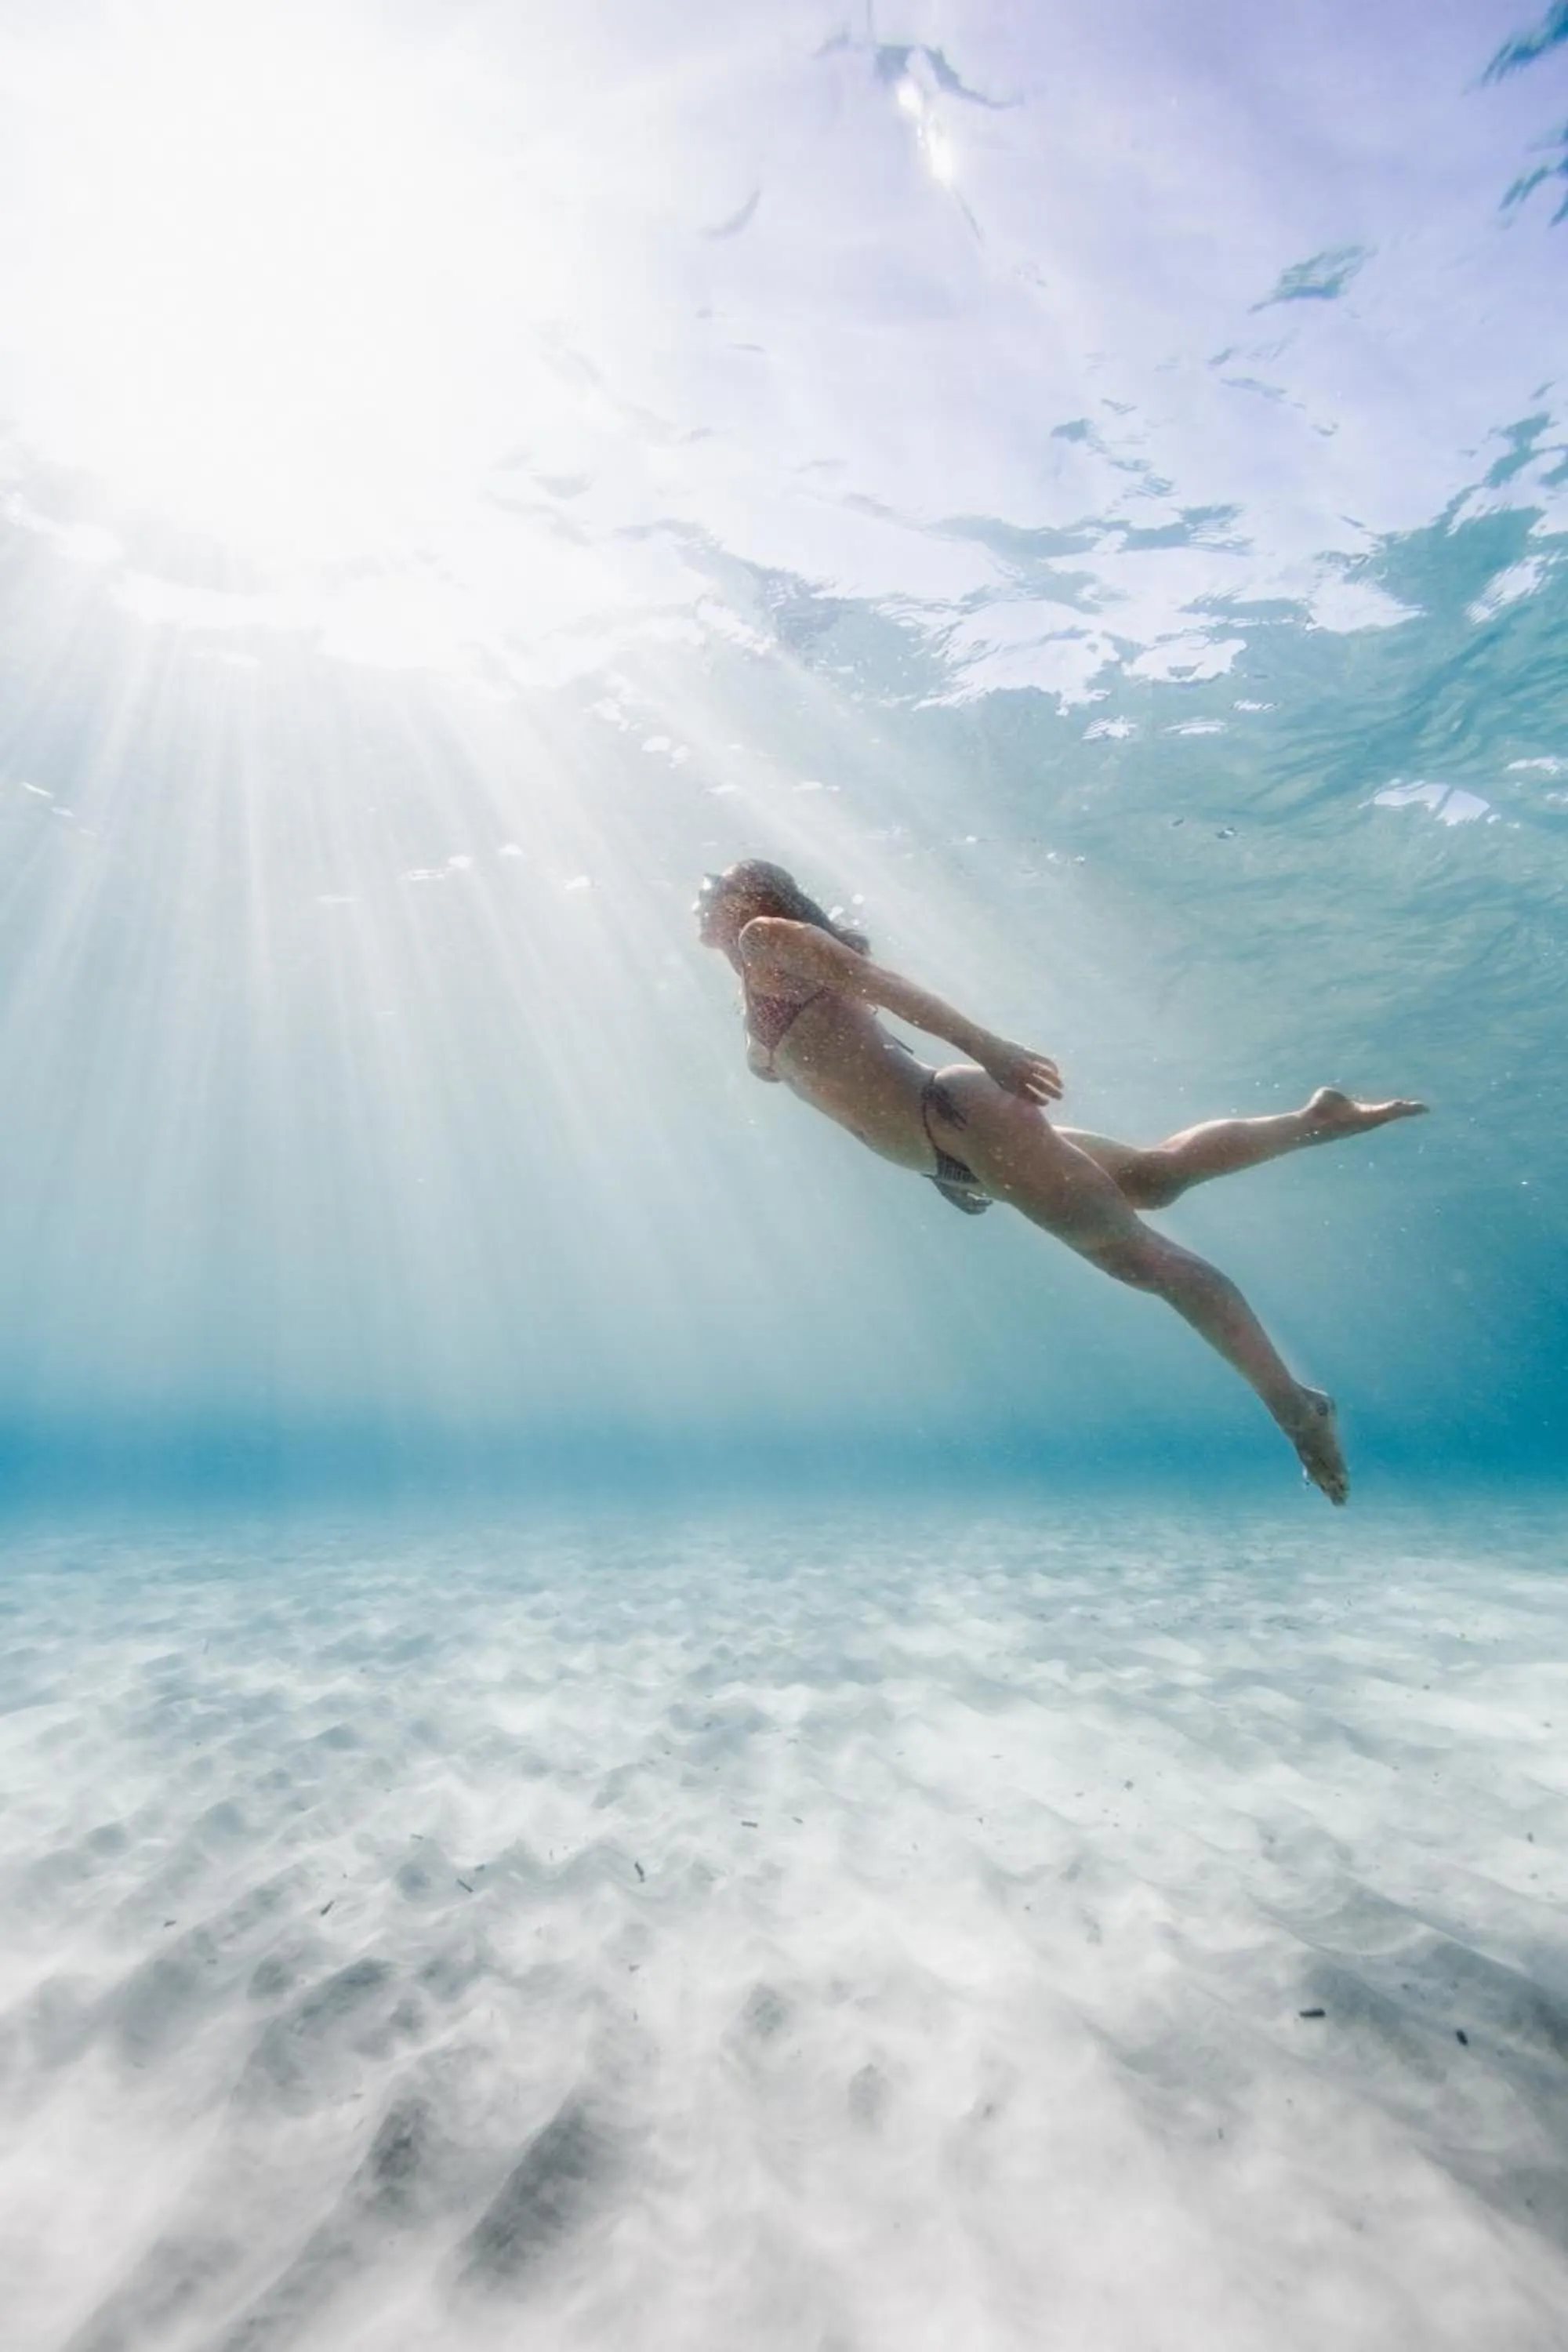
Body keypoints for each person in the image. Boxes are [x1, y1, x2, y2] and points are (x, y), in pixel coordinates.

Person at [695, 859, 1428, 1504]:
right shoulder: (756, 991)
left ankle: (1299, 1412)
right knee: (1153, 1175)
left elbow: (879, 984)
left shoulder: (767, 939)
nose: (699, 902)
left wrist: (992, 1049)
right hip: (954, 1152)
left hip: (960, 1122)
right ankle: (1317, 1119)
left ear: (748, 896)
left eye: (711, 888)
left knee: (1148, 1261)